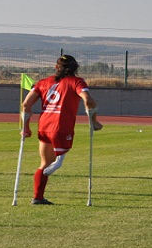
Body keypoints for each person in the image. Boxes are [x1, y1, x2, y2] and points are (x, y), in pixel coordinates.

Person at [22, 55, 102, 205]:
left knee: (44, 162)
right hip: (61, 126)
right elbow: (88, 99)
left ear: (56, 67)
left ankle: (37, 197)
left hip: (44, 126)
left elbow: (26, 104)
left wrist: (25, 127)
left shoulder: (43, 82)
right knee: (56, 162)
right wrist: (94, 121)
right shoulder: (76, 82)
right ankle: (52, 170)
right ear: (75, 67)